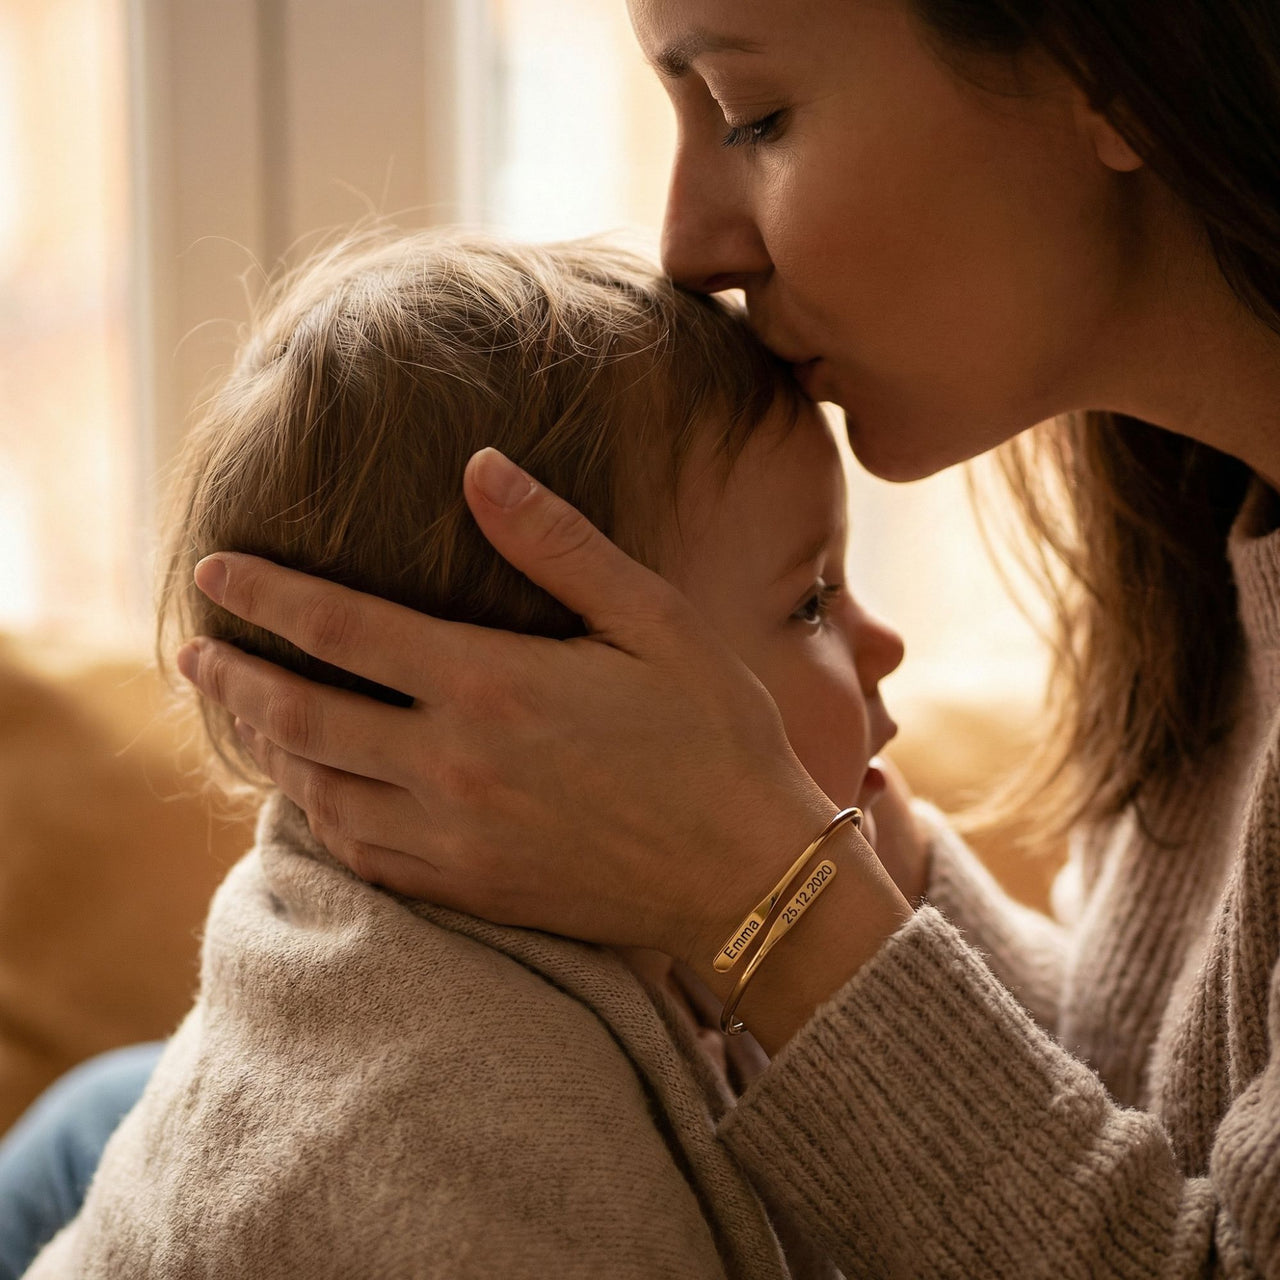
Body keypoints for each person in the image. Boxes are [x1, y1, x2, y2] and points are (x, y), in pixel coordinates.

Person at [160, 1, 1280, 1276]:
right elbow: (1167, 1098)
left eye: (753, 115)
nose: (686, 248)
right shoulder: (1204, 521)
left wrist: (765, 885)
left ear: (1104, 59)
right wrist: (819, 837)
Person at [18, 231, 913, 1278]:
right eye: (809, 598)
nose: (882, 643)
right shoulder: (445, 1135)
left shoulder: (634, 959)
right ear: (515, 715)